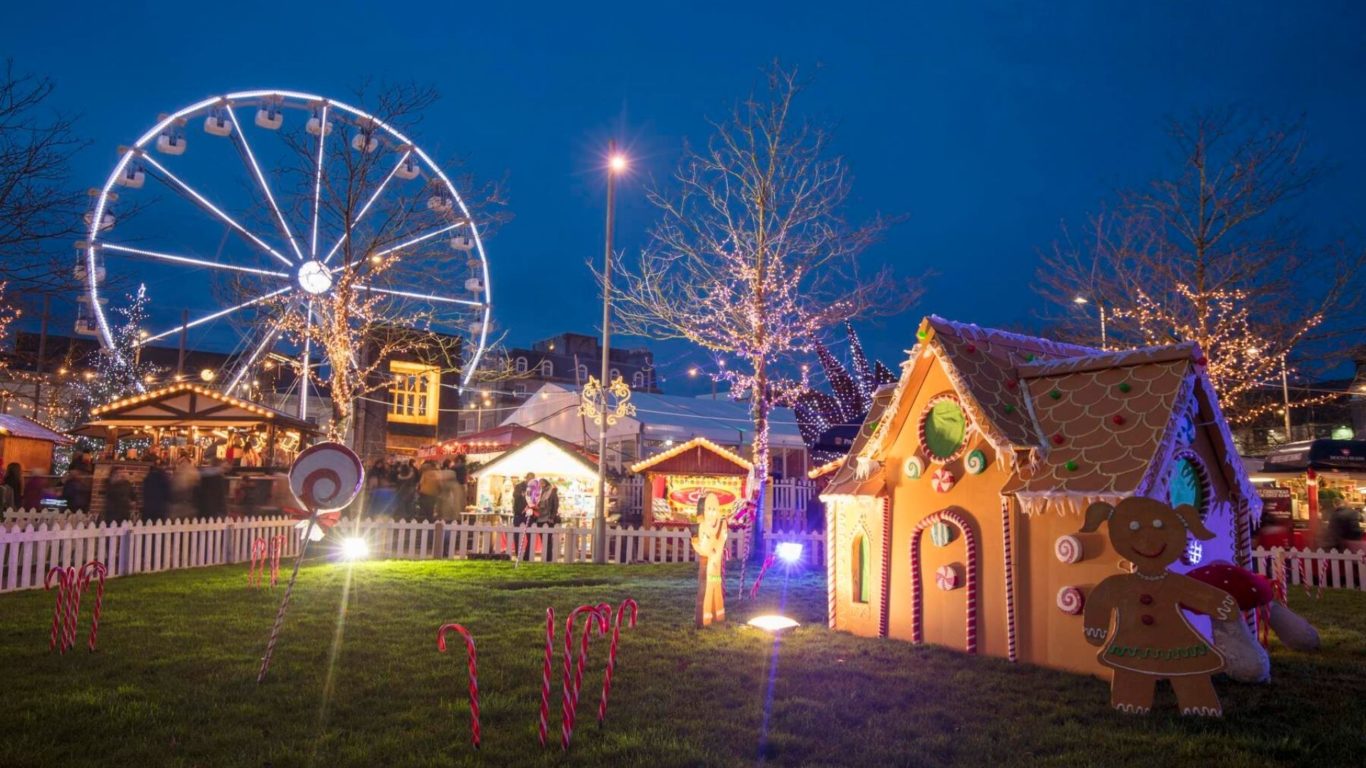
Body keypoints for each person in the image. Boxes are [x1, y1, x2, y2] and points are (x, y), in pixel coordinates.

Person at [691, 492, 729, 627]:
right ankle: (705, 617)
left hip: (715, 567)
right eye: (709, 509)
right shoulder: (701, 528)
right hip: (708, 565)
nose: (712, 512)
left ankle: (718, 613)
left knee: (716, 587)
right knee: (707, 589)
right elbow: (700, 545)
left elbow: (721, 542)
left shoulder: (721, 525)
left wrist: (721, 539)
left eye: (714, 509)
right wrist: (707, 545)